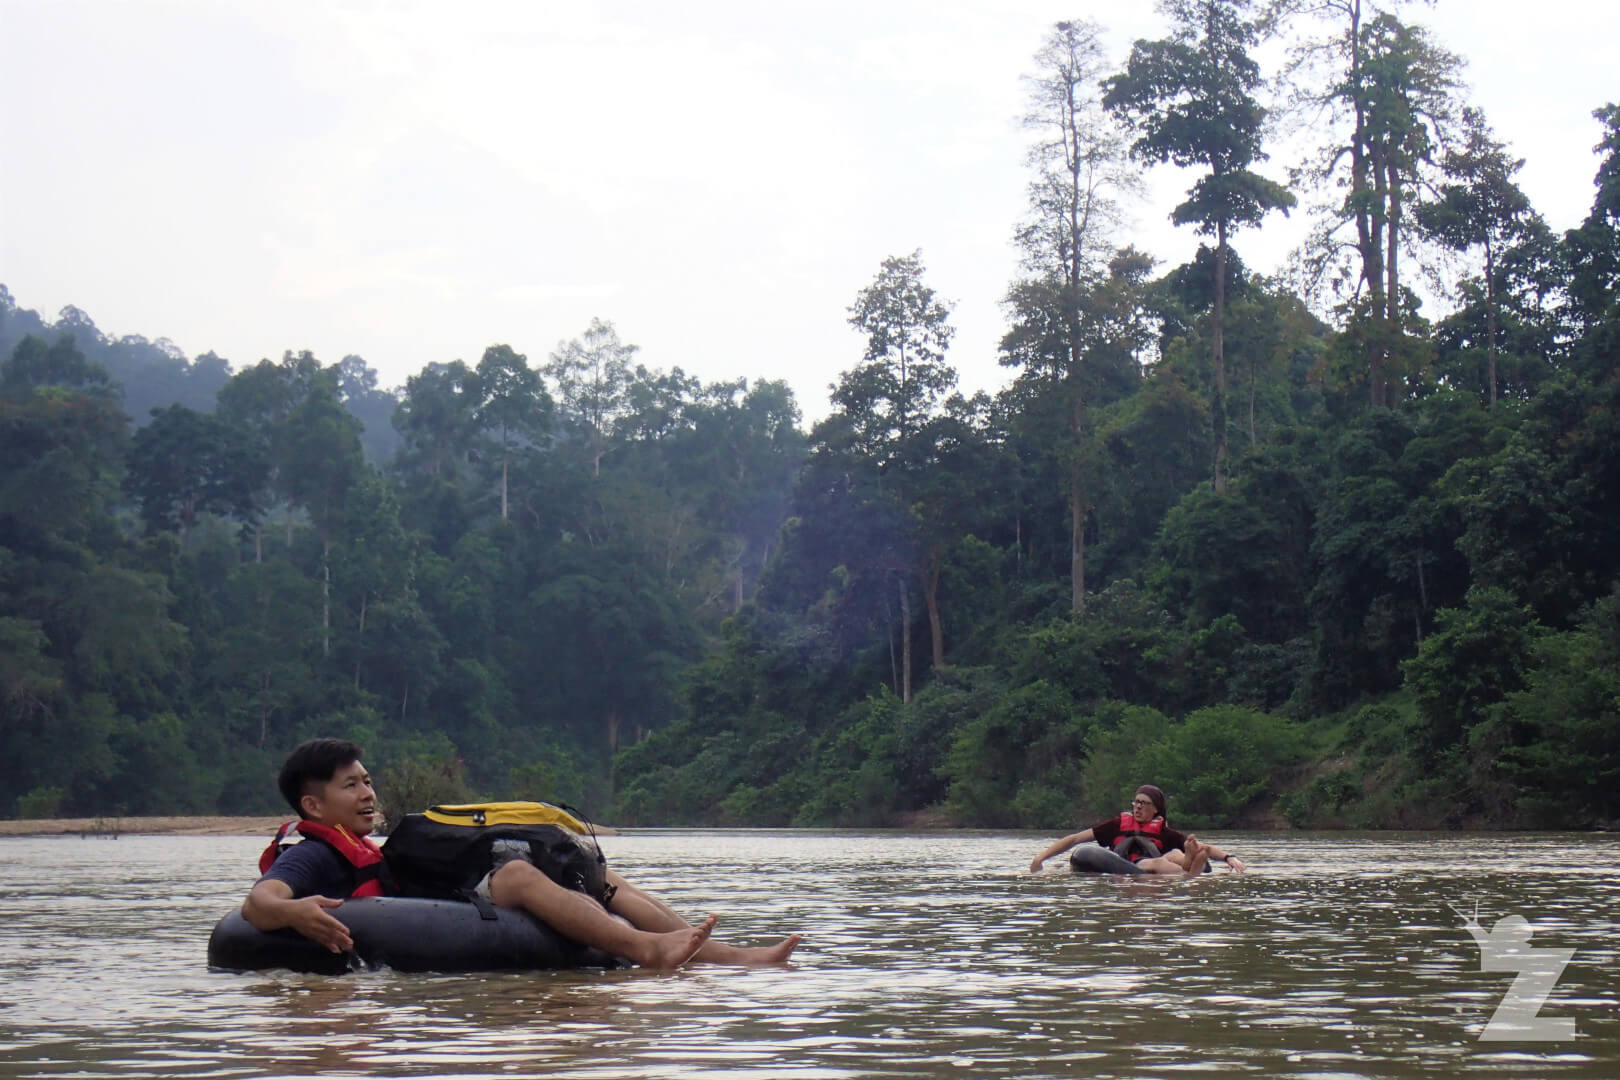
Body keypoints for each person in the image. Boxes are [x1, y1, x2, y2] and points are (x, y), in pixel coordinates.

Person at [242, 738, 801, 969]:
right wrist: (294, 911)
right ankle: (645, 949)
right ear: (313, 805)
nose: (367, 793)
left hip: (436, 903)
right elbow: (259, 902)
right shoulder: (312, 855)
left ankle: (729, 957)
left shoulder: (365, 845)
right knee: (514, 875)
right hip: (429, 913)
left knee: (605, 879)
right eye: (350, 786)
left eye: (367, 781)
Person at [1027, 784, 1247, 876]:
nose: (1139, 807)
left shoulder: (1164, 832)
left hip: (1156, 870)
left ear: (1156, 810)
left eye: (1145, 803)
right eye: (1137, 802)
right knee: (1158, 862)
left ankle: (1189, 866)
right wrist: (1040, 858)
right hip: (1130, 864)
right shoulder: (1116, 826)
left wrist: (1229, 857)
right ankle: (1190, 873)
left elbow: (1204, 848)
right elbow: (1075, 839)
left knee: (1175, 852)